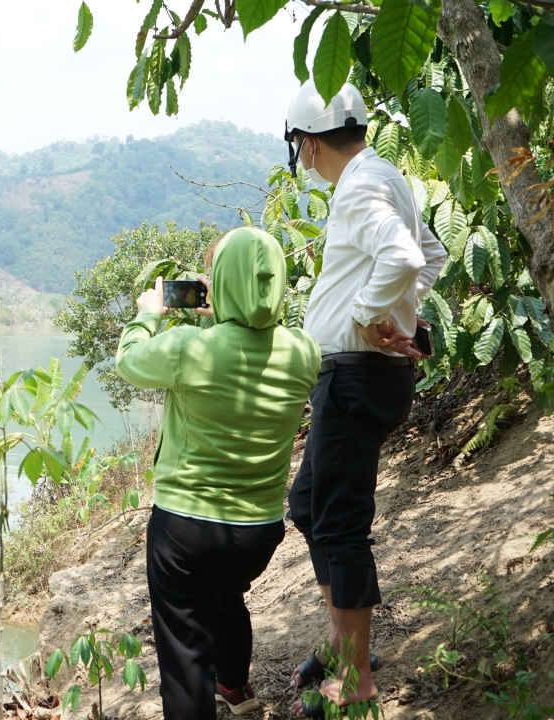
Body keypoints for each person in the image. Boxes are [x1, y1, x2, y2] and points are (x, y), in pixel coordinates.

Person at [283, 81, 447, 717]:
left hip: (355, 375)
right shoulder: (383, 176)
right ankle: (341, 643)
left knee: (340, 525)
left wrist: (367, 316)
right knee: (308, 505)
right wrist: (398, 316)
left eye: (299, 148)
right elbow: (431, 254)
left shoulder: (357, 187)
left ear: (308, 143)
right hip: (361, 373)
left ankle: (354, 680)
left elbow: (403, 256)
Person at [115, 227, 320, 718]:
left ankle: (211, 693)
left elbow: (127, 361)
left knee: (184, 653)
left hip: (185, 533)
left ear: (221, 282)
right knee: (227, 599)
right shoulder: (304, 351)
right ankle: (235, 688)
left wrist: (148, 312)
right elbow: (255, 343)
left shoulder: (188, 348)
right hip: (257, 535)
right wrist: (235, 312)